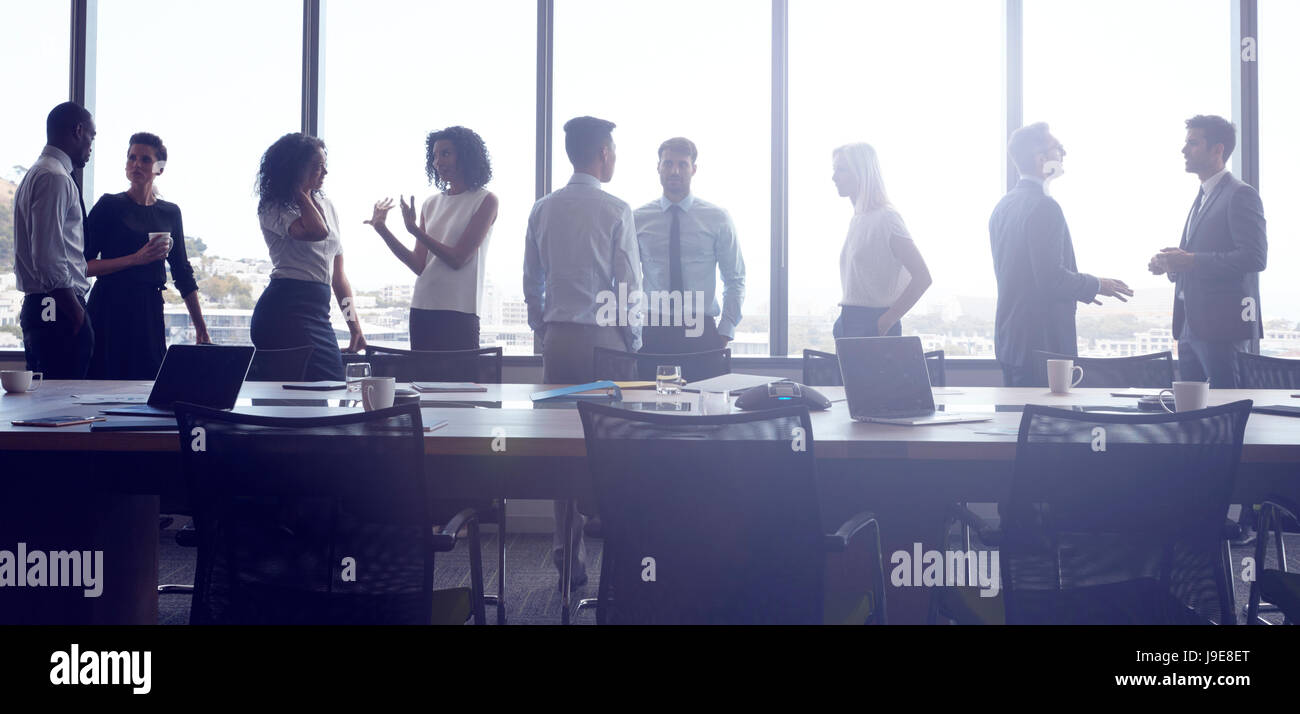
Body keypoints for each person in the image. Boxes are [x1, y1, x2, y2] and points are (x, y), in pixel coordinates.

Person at [523, 115, 642, 588]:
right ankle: (624, 553)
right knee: (613, 447)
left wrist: (543, 325)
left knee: (561, 446)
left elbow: (531, 279)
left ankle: (564, 548)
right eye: (612, 149)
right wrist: (631, 341)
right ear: (603, 154)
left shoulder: (542, 209)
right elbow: (628, 285)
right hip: (605, 344)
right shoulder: (617, 209)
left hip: (559, 340)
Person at [989, 122, 1133, 387]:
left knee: (1019, 424)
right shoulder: (1044, 207)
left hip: (1011, 342)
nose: (1063, 153)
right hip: (1042, 344)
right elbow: (1050, 279)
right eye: (1058, 148)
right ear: (1041, 160)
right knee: (1048, 425)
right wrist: (1098, 285)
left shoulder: (1004, 206)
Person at [1148, 115, 1266, 388]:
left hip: (1222, 329)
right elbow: (1198, 257)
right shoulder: (1203, 195)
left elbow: (1255, 256)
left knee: (1227, 412)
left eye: (1193, 143)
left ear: (1217, 149)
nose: (1184, 150)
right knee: (1193, 417)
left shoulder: (1240, 194)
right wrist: (1171, 263)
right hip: (1190, 326)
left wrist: (1191, 261)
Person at [83, 132, 210, 379]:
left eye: (145, 159)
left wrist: (201, 329)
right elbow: (83, 266)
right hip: (108, 308)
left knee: (147, 387)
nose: (136, 164)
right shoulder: (108, 205)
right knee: (102, 385)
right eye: (132, 158)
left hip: (148, 311)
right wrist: (135, 259)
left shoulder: (170, 213)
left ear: (159, 168)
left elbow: (183, 273)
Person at [366, 126, 498, 351]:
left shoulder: (485, 200)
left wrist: (415, 230)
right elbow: (419, 265)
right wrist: (382, 230)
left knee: (461, 385)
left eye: (445, 153)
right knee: (422, 382)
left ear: (465, 156)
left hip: (460, 310)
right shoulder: (431, 203)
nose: (438, 162)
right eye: (435, 156)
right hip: (422, 308)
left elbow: (458, 259)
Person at [250, 133, 365, 381]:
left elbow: (338, 276)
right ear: (295, 170)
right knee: (309, 391)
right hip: (284, 309)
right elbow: (316, 231)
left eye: (324, 166)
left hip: (317, 309)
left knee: (325, 387)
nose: (324, 173)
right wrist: (299, 191)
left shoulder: (328, 205)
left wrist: (354, 327)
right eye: (316, 167)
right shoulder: (274, 206)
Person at [633, 137, 744, 353]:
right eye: (668, 163)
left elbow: (735, 278)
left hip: (702, 332)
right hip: (654, 330)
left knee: (703, 388)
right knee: (647, 388)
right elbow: (624, 277)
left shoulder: (718, 218)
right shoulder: (637, 219)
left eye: (682, 164)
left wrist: (724, 331)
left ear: (693, 169)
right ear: (658, 168)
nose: (674, 171)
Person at [13, 102, 97, 378]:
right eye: (91, 136)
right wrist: (75, 312)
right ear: (78, 130)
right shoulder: (55, 177)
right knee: (62, 409)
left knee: (47, 408)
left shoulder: (37, 173)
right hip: (57, 308)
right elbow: (47, 257)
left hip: (45, 308)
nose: (91, 146)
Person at [830, 143, 932, 340]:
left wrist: (885, 321)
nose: (834, 177)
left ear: (861, 173)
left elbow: (922, 277)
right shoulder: (858, 218)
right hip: (848, 321)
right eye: (834, 170)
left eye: (841, 170)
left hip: (871, 324)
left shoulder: (887, 219)